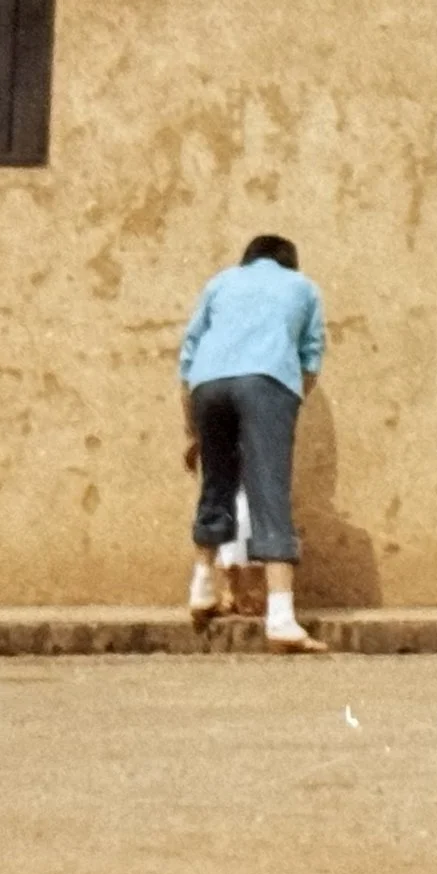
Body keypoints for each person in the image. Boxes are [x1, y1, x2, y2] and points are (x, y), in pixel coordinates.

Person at [179, 233, 326, 654]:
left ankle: (202, 586)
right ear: (289, 261)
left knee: (217, 481)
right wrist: (284, 404)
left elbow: (187, 357)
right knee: (269, 490)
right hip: (266, 381)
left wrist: (192, 430)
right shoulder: (303, 287)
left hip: (207, 384)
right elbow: (310, 360)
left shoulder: (220, 282)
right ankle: (280, 616)